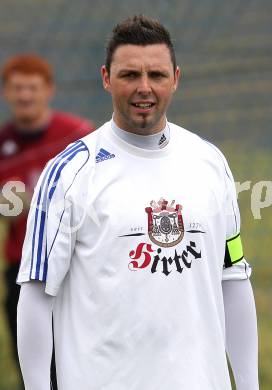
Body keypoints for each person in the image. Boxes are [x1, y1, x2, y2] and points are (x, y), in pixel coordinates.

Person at [16, 16, 259, 390]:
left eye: (157, 75)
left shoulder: (210, 163)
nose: (144, 88)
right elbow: (34, 295)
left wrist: (248, 384)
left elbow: (234, 279)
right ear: (106, 78)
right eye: (130, 75)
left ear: (175, 78)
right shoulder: (69, 173)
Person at [0, 54, 94, 385]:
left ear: (48, 91)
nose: (25, 95)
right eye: (17, 88)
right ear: (6, 93)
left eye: (32, 88)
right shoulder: (3, 144)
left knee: (82, 365)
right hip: (24, 271)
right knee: (36, 368)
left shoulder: (79, 135)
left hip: (77, 268)